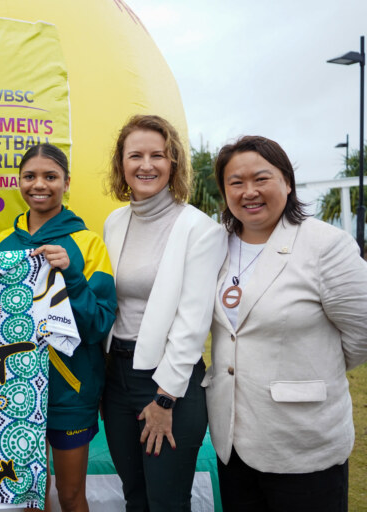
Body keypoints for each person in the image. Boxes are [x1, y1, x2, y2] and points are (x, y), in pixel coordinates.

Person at [205, 135, 367, 512]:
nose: (249, 192)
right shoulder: (215, 245)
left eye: (261, 178)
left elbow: (361, 332)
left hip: (302, 441)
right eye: (236, 182)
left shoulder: (326, 245)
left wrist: (314, 365)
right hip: (232, 440)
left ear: (287, 182)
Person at [101, 114, 226, 511]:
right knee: (134, 498)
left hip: (167, 382)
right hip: (116, 378)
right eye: (135, 155)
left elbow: (193, 324)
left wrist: (165, 399)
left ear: (173, 163)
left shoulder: (200, 229)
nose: (146, 165)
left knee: (167, 502)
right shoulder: (114, 222)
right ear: (121, 163)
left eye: (157, 155)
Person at [0, 143, 117, 512]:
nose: (39, 184)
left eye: (50, 176)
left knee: (71, 495)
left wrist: (71, 275)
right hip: (17, 390)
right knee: (30, 497)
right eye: (29, 176)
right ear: (18, 182)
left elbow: (99, 323)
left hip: (71, 391)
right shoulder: (1, 242)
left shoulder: (88, 243)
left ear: (67, 182)